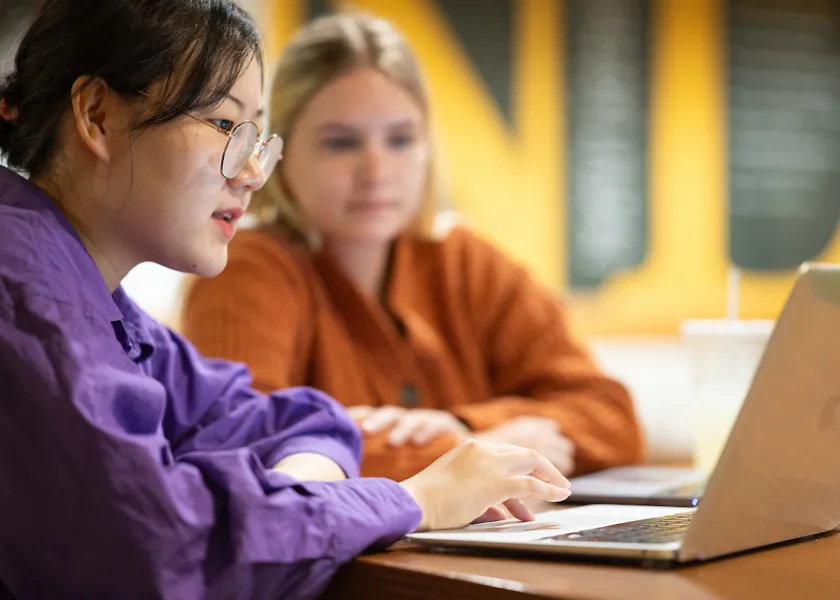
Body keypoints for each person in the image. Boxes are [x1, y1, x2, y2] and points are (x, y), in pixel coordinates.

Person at [0, 1, 572, 598]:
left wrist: (287, 503)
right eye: (224, 125)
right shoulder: (26, 295)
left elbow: (301, 422)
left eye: (254, 135)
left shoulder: (103, 303)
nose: (251, 171)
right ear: (96, 115)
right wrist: (411, 500)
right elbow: (162, 548)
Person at [181, 12, 645, 483]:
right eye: (341, 143)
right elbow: (241, 450)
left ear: (428, 147)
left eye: (401, 139)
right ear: (281, 156)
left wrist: (466, 425)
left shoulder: (466, 261)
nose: (377, 171)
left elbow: (613, 420)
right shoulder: (245, 265)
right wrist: (471, 449)